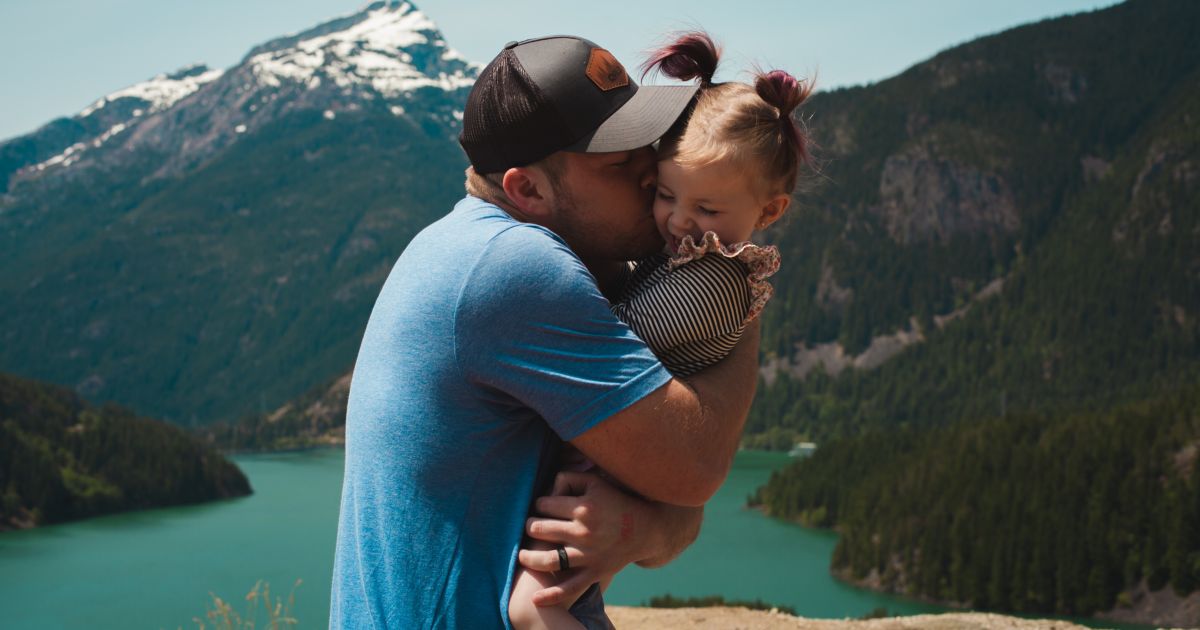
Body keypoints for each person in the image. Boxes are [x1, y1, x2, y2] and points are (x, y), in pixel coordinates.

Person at [329, 34, 762, 629]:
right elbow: (693, 468)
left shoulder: (459, 242)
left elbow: (673, 498)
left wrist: (641, 526)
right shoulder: (514, 269)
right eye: (618, 162)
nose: (651, 173)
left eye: (645, 144)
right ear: (526, 189)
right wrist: (739, 285)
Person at [506, 31, 814, 630]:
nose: (677, 219)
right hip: (619, 456)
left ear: (769, 212)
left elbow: (613, 337)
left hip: (611, 468)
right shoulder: (691, 255)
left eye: (706, 210)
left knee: (532, 609)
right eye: (666, 194)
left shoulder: (712, 282)